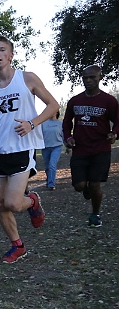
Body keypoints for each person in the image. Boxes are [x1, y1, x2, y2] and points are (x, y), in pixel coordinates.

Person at [0, 36, 59, 263]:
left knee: (13, 203)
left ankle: (33, 202)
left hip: (22, 147)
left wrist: (32, 123)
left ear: (10, 55)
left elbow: (53, 105)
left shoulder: (27, 79)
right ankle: (17, 245)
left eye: (1, 50)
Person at [62, 64, 119, 228]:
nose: (88, 80)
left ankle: (95, 214)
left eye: (92, 77)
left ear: (100, 77)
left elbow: (118, 122)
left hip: (101, 149)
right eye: (85, 78)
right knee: (79, 186)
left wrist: (114, 133)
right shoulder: (75, 100)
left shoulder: (109, 101)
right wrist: (68, 137)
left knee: (95, 184)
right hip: (80, 149)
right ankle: (86, 188)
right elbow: (66, 123)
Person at [39, 111, 64, 190]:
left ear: (56, 113)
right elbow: (40, 135)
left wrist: (68, 146)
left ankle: (51, 184)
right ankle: (48, 179)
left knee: (52, 164)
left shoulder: (60, 123)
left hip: (57, 146)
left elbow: (64, 135)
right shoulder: (43, 123)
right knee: (47, 166)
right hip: (46, 147)